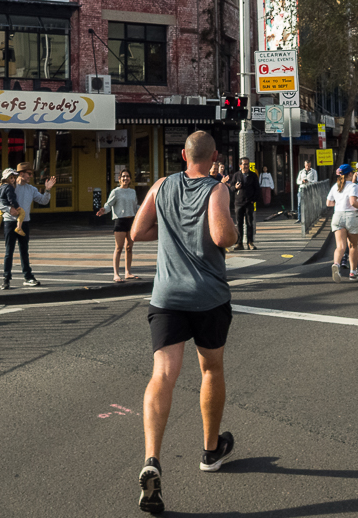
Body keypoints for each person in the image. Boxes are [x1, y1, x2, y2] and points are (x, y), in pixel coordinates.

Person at [131, 131, 238, 514]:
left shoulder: (161, 185)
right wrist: (230, 219)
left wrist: (174, 229)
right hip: (208, 297)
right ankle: (211, 452)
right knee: (210, 368)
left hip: (167, 298)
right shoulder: (217, 189)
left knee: (163, 374)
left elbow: (137, 231)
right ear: (213, 158)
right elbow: (223, 236)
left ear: (183, 155)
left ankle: (152, 459)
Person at [3, 164, 57, 289]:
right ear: (21, 174)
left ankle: (28, 277)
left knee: (24, 251)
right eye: (29, 173)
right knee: (8, 252)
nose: (31, 176)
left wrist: (47, 190)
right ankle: (6, 279)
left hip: (25, 222)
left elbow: (43, 201)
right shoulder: (9, 187)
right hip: (10, 222)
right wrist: (8, 209)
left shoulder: (31, 189)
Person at [327, 164, 358, 281]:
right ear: (350, 174)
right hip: (351, 216)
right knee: (353, 246)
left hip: (337, 215)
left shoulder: (335, 186)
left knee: (340, 246)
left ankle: (336, 264)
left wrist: (339, 204)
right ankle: (353, 272)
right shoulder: (353, 186)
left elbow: (328, 203)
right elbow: (353, 202)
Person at [98, 169, 140, 282]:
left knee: (129, 247)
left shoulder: (133, 192)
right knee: (119, 248)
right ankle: (116, 274)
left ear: (130, 179)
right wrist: (104, 210)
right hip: (120, 221)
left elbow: (136, 207)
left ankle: (128, 272)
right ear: (119, 178)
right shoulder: (115, 192)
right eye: (123, 176)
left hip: (131, 221)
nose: (125, 178)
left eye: (127, 176)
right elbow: (108, 204)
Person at [228, 158, 261, 250]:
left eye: (247, 164)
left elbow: (257, 189)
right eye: (244, 164)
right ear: (240, 165)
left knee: (249, 223)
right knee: (239, 224)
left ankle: (250, 242)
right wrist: (236, 187)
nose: (246, 166)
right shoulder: (236, 175)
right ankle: (239, 243)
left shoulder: (253, 175)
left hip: (249, 203)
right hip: (238, 203)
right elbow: (231, 188)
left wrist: (253, 200)